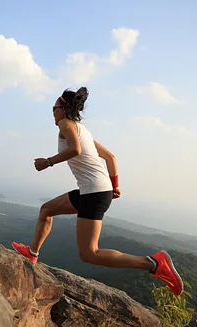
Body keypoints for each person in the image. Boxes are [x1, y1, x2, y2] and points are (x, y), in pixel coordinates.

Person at [11, 87, 184, 296]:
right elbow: (110, 157)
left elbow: (76, 150)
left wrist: (47, 162)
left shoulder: (66, 124)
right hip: (93, 190)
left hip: (94, 193)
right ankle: (32, 253)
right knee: (46, 209)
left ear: (63, 108)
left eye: (53, 108)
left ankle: (154, 264)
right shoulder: (83, 131)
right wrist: (115, 185)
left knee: (89, 253)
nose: (52, 112)